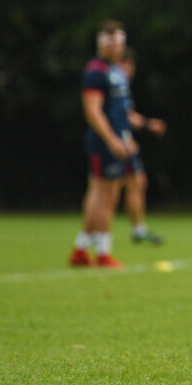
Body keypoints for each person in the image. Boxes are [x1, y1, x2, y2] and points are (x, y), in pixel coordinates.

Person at [70, 20, 137, 268]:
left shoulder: (116, 70)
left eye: (119, 42)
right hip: (103, 143)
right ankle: (102, 252)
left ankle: (80, 248)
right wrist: (111, 140)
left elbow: (120, 111)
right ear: (101, 42)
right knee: (104, 195)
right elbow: (93, 111)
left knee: (104, 194)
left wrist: (127, 138)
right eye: (110, 42)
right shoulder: (96, 71)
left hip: (117, 141)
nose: (115, 47)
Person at [119, 48, 168, 246]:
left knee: (138, 182)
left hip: (125, 141)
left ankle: (138, 229)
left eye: (131, 66)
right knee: (108, 190)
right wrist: (122, 138)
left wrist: (148, 124)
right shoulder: (112, 86)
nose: (129, 70)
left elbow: (128, 115)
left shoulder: (123, 89)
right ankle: (94, 237)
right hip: (117, 143)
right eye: (125, 65)